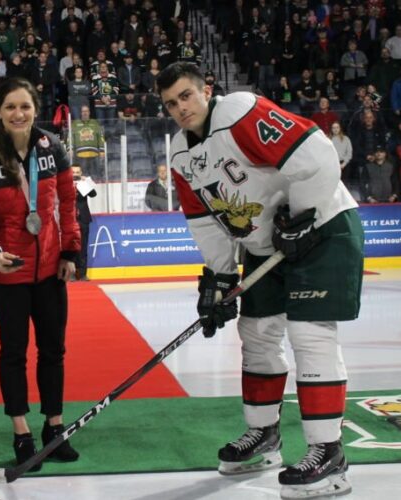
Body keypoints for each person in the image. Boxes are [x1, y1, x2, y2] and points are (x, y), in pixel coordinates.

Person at [158, 62, 362, 500]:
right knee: (256, 332)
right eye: (171, 103)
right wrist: (219, 276)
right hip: (269, 247)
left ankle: (328, 453)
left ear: (205, 90)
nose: (180, 108)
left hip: (323, 227)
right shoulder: (179, 152)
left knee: (309, 334)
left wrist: (303, 214)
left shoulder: (239, 112)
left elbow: (317, 155)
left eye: (186, 96)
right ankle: (264, 436)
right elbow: (205, 220)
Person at [0, 78, 81, 471]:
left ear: (36, 109)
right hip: (9, 273)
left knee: (54, 351)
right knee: (13, 353)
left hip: (51, 269)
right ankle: (21, 433)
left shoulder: (53, 148)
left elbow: (68, 203)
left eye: (25, 106)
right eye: (11, 107)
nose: (19, 114)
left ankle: (54, 428)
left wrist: (69, 250)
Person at [72, 165, 95, 281]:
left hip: (83, 219)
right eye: (73, 172)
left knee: (83, 247)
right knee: (70, 247)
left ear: (81, 173)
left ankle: (82, 274)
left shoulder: (83, 183)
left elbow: (93, 194)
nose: (75, 174)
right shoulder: (64, 183)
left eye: (77, 172)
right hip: (69, 219)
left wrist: (87, 182)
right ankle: (71, 273)